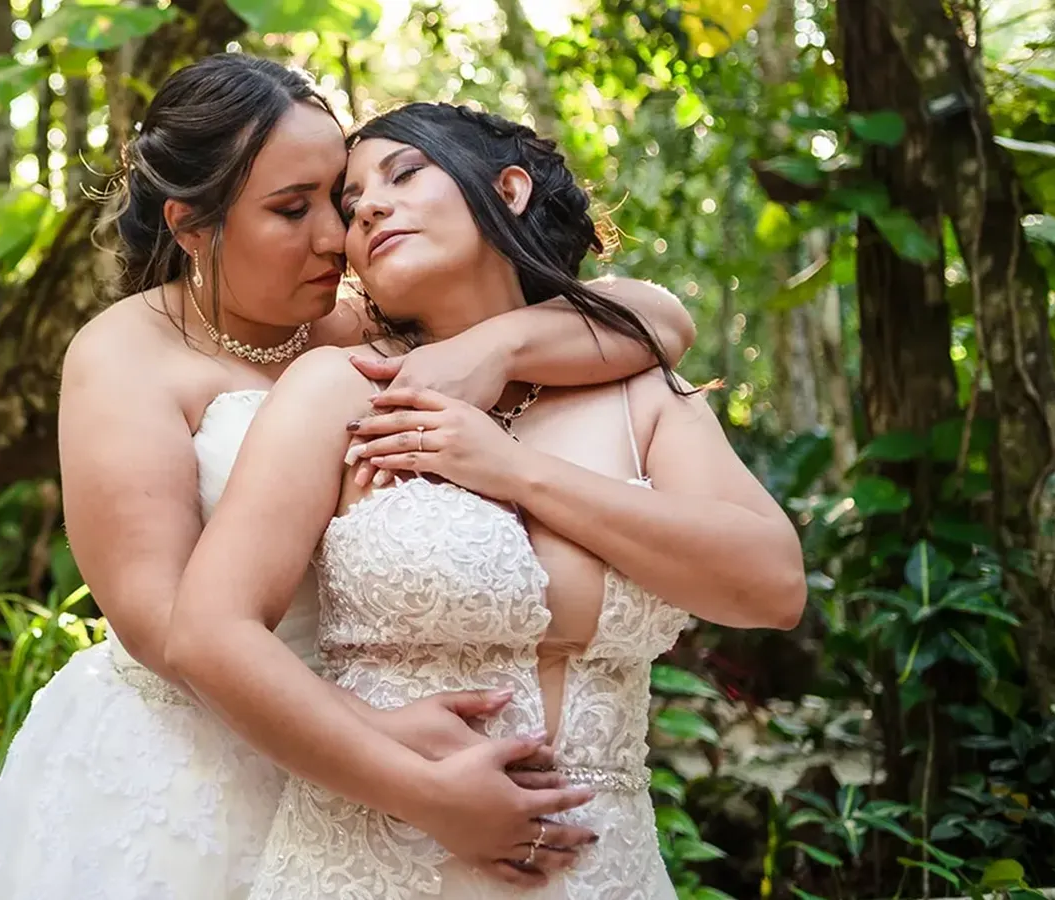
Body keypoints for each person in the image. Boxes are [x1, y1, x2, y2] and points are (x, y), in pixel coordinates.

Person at [0, 59, 700, 900]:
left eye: (338, 203)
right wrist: (391, 754)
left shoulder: (360, 325)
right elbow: (169, 634)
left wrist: (494, 349)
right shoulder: (123, 355)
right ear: (192, 226)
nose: (333, 238)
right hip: (198, 763)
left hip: (375, 766)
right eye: (291, 209)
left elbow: (661, 319)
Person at [165, 100, 806, 898]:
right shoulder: (344, 388)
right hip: (375, 857)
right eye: (352, 202)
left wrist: (509, 469)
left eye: (403, 174)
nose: (367, 206)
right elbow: (209, 634)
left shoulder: (639, 391)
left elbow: (774, 587)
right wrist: (420, 792)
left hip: (606, 871)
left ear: (507, 189)